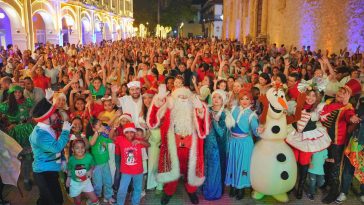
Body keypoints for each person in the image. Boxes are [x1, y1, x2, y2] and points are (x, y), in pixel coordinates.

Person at [147, 86, 209, 205]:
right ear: (174, 99)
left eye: (186, 96)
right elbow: (152, 122)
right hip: (172, 148)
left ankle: (191, 191)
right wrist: (157, 104)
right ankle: (168, 192)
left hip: (191, 148)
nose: (183, 99)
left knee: (190, 171)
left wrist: (201, 112)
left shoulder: (196, 108)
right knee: (171, 170)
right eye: (180, 97)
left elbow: (203, 131)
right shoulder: (168, 108)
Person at [285, 80, 331, 199]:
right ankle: (290, 186)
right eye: (308, 95)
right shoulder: (295, 106)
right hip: (294, 138)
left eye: (313, 96)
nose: (310, 98)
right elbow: (288, 117)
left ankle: (300, 187)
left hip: (307, 140)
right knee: (292, 162)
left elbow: (326, 117)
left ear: (317, 98)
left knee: (304, 164)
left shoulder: (317, 110)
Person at [321, 79, 362, 203]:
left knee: (335, 167)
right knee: (326, 163)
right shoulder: (329, 102)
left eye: (344, 93)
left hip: (337, 143)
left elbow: (349, 115)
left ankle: (334, 192)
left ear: (349, 96)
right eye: (340, 90)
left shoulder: (348, 108)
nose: (340, 93)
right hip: (325, 140)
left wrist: (353, 117)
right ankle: (326, 184)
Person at [29, 98, 72, 205]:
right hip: (43, 173)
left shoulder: (48, 127)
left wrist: (61, 161)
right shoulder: (40, 135)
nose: (56, 115)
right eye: (53, 114)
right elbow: (57, 147)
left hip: (51, 170)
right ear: (46, 117)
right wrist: (65, 131)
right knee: (52, 201)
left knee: (52, 199)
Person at [225, 87, 259, 200]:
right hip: (233, 142)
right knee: (233, 163)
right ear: (239, 100)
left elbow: (256, 132)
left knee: (242, 164)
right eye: (242, 99)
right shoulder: (233, 109)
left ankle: (241, 189)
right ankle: (233, 186)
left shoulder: (252, 115)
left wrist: (260, 130)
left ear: (251, 101)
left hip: (245, 144)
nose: (244, 101)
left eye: (247, 99)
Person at [0, 85, 35, 190]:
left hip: (28, 129)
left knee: (30, 156)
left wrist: (29, 121)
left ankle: (28, 178)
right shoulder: (5, 105)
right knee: (19, 157)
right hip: (15, 133)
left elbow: (31, 112)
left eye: (19, 92)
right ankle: (23, 178)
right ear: (11, 94)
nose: (17, 94)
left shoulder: (27, 102)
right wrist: (7, 125)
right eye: (15, 92)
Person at [203, 89, 231, 200]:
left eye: (219, 98)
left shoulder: (224, 114)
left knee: (215, 168)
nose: (216, 100)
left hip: (218, 147)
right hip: (206, 144)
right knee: (207, 167)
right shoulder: (207, 109)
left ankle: (214, 193)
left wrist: (215, 121)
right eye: (214, 97)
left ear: (223, 100)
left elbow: (221, 132)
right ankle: (206, 188)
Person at [115, 123, 150, 205]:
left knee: (137, 189)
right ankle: (120, 203)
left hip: (138, 171)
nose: (129, 134)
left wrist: (139, 141)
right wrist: (113, 129)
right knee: (122, 190)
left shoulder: (138, 140)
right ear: (124, 133)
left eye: (132, 132)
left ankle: (135, 203)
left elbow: (148, 145)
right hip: (126, 171)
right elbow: (111, 137)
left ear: (134, 132)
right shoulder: (121, 139)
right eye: (127, 132)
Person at [87, 118, 115, 204]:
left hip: (105, 163)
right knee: (98, 183)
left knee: (108, 181)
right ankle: (95, 197)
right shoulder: (92, 137)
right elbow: (91, 143)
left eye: (101, 124)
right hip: (96, 165)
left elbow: (111, 139)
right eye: (99, 125)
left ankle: (108, 196)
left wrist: (112, 129)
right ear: (93, 128)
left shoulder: (104, 136)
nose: (102, 126)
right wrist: (98, 132)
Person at [66, 139, 99, 205]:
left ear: (85, 148)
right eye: (77, 148)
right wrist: (68, 178)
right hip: (75, 183)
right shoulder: (71, 159)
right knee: (78, 202)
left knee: (95, 201)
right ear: (73, 149)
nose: (80, 150)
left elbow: (93, 165)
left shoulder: (89, 157)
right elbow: (69, 169)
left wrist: (90, 170)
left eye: (82, 147)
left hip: (86, 182)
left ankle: (90, 202)